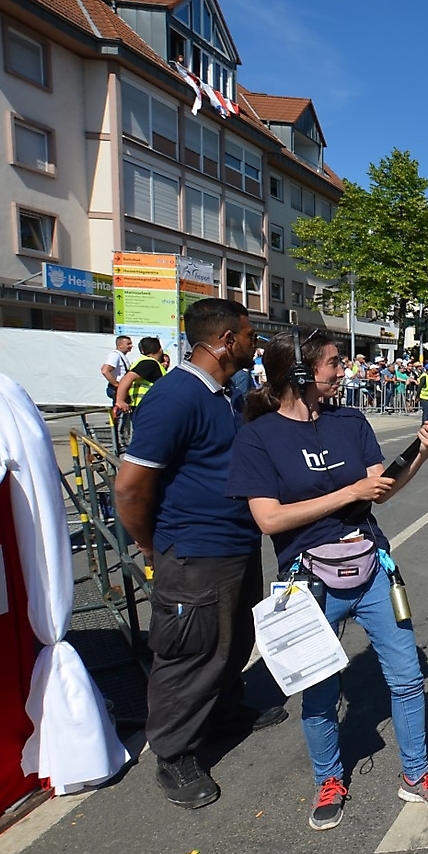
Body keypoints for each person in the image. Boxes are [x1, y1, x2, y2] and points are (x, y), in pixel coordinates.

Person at [225, 330, 428, 830]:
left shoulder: (350, 421)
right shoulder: (257, 437)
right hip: (309, 581)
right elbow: (269, 519)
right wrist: (348, 492)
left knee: (408, 679)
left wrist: (422, 452)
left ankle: (417, 774)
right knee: (319, 692)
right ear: (302, 373)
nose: (343, 370)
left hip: (373, 569)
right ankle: (329, 779)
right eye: (334, 363)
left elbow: (380, 491)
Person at [113, 300, 284, 810]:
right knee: (191, 652)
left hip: (234, 545)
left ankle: (223, 712)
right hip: (193, 551)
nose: (255, 343)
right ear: (227, 341)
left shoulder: (225, 394)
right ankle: (175, 752)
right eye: (250, 335)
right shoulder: (175, 396)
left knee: (231, 641)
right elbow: (130, 488)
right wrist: (152, 545)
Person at [112, 336, 168, 417]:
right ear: (160, 350)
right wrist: (120, 401)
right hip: (147, 407)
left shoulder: (143, 362)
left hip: (144, 406)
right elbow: (127, 378)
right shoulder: (149, 363)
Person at [101, 334, 133, 402]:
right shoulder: (115, 355)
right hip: (117, 389)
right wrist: (117, 385)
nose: (131, 346)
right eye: (128, 344)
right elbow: (105, 371)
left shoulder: (121, 356)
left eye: (131, 344)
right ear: (120, 346)